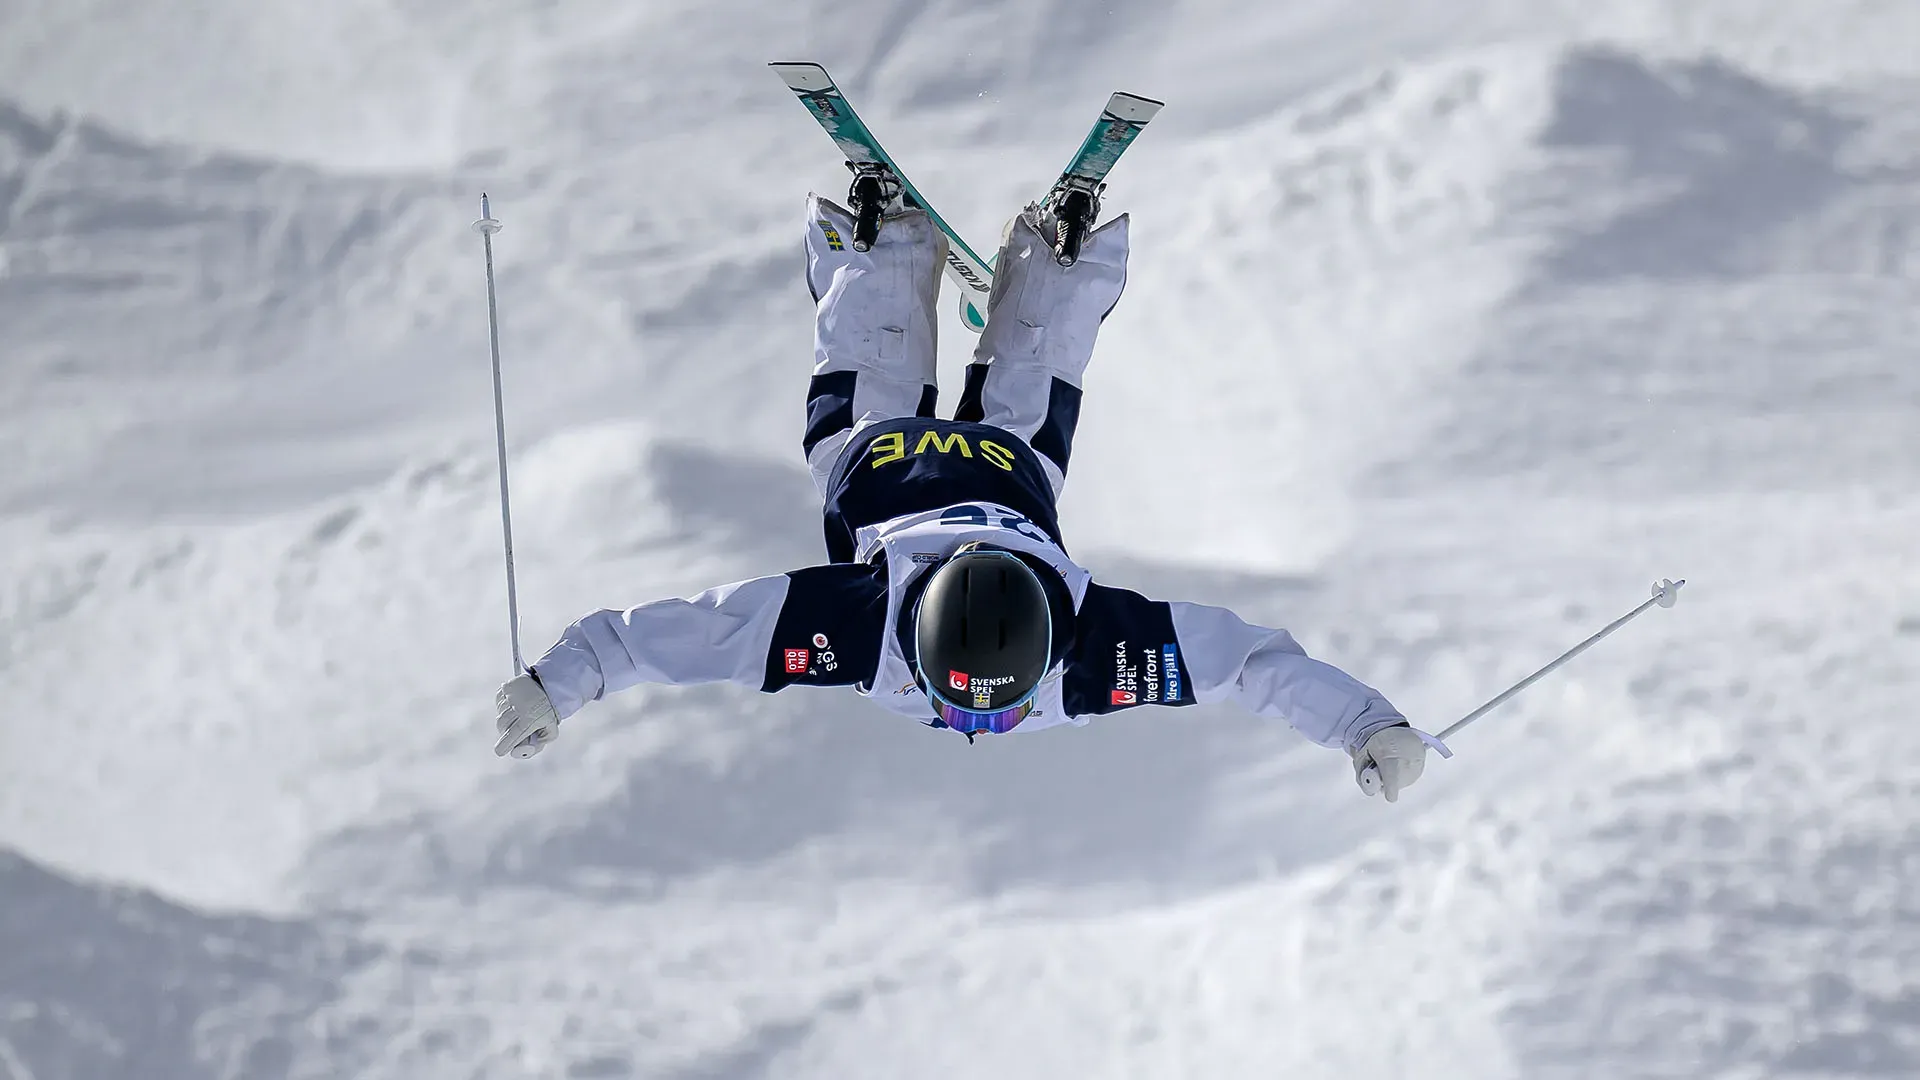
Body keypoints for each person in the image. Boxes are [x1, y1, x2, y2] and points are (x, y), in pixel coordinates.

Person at [493, 184, 1441, 801]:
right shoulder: (1052, 652)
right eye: (990, 714)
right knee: (880, 403)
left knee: (1009, 390)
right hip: (897, 463)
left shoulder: (1038, 646)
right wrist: (1366, 724)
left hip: (994, 471)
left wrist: (561, 683)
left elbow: (682, 637)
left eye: (976, 715)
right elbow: (1249, 665)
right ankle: (904, 254)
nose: (984, 726)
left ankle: (1013, 265)